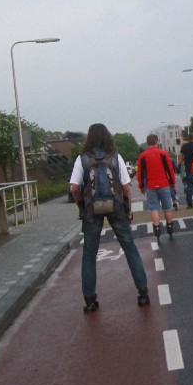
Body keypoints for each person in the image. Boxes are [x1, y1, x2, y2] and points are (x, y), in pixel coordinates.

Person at [70, 123, 150, 312]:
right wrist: (128, 208)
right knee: (129, 247)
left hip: (91, 210)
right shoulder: (115, 156)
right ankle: (143, 293)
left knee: (89, 253)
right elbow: (126, 187)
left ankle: (90, 300)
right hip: (116, 207)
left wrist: (81, 205)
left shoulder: (82, 159)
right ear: (107, 137)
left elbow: (74, 187)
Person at [137, 133, 177, 240]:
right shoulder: (163, 154)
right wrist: (172, 183)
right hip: (164, 184)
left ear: (147, 143)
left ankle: (157, 229)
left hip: (150, 186)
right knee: (167, 208)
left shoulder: (142, 156)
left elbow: (140, 173)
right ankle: (170, 227)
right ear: (156, 142)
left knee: (154, 209)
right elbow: (170, 170)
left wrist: (141, 186)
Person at [179, 133, 193, 209]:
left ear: (188, 138)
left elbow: (181, 157)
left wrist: (179, 165)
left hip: (188, 168)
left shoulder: (184, 146)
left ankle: (189, 203)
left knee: (189, 186)